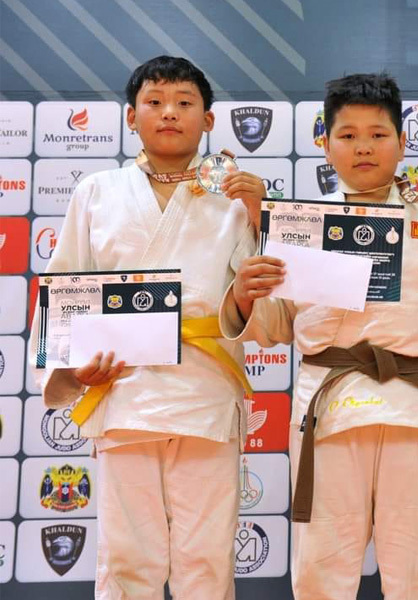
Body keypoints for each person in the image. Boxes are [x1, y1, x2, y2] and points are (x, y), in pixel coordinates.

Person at [220, 72, 418, 599]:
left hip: (413, 405)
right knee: (322, 567)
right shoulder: (301, 223)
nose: (363, 147)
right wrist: (245, 292)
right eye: (348, 135)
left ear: (402, 142)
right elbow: (274, 325)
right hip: (330, 409)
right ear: (325, 144)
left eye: (378, 134)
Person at [31, 55, 266, 599]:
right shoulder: (97, 191)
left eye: (185, 103)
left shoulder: (236, 200)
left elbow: (267, 305)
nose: (169, 113)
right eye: (154, 102)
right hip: (123, 389)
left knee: (206, 559)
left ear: (208, 120)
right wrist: (74, 369)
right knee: (127, 558)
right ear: (131, 117)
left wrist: (262, 216)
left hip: (205, 392)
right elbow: (64, 287)